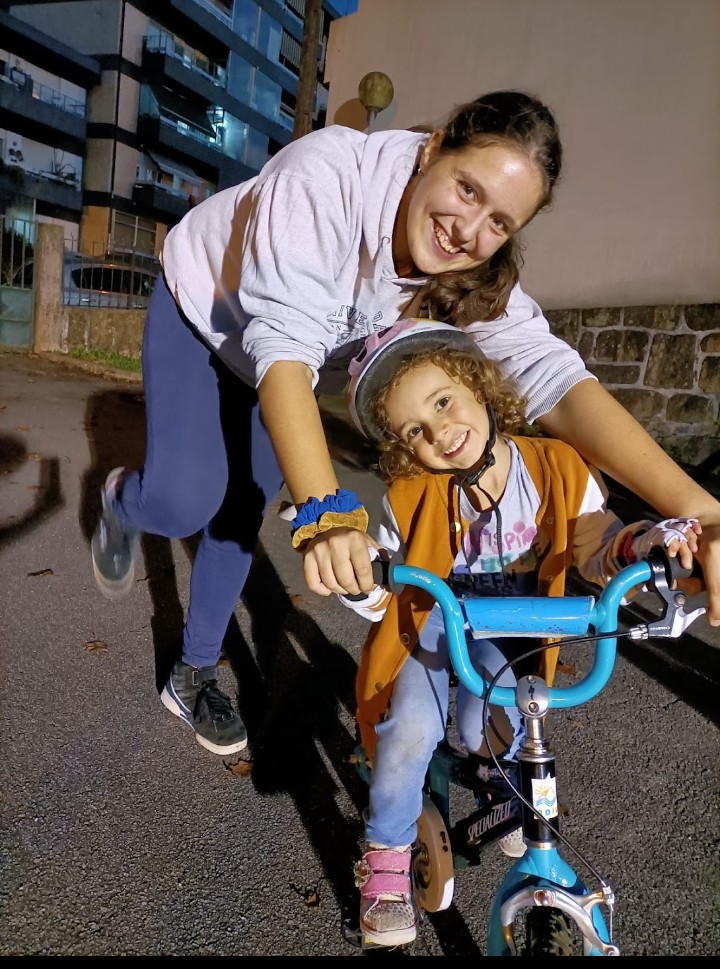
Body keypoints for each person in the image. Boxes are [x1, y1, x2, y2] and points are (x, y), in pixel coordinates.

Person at [89, 90, 720, 758]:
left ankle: (194, 669)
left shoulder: (462, 270)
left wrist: (703, 510)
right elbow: (281, 351)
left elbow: (554, 378)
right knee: (183, 497)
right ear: (434, 147)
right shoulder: (329, 179)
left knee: (238, 512)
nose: (467, 228)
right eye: (467, 188)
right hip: (205, 311)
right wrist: (327, 513)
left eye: (499, 222)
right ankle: (125, 501)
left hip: (289, 366)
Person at [338, 319, 700, 948]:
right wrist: (360, 576)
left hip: (508, 628)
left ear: (479, 385)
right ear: (403, 449)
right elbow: (387, 584)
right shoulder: (410, 495)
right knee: (412, 730)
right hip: (434, 619)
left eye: (444, 401)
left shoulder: (557, 467)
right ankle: (388, 857)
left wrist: (649, 544)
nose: (440, 433)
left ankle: (504, 788)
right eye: (414, 431)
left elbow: (596, 544)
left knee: (498, 719)